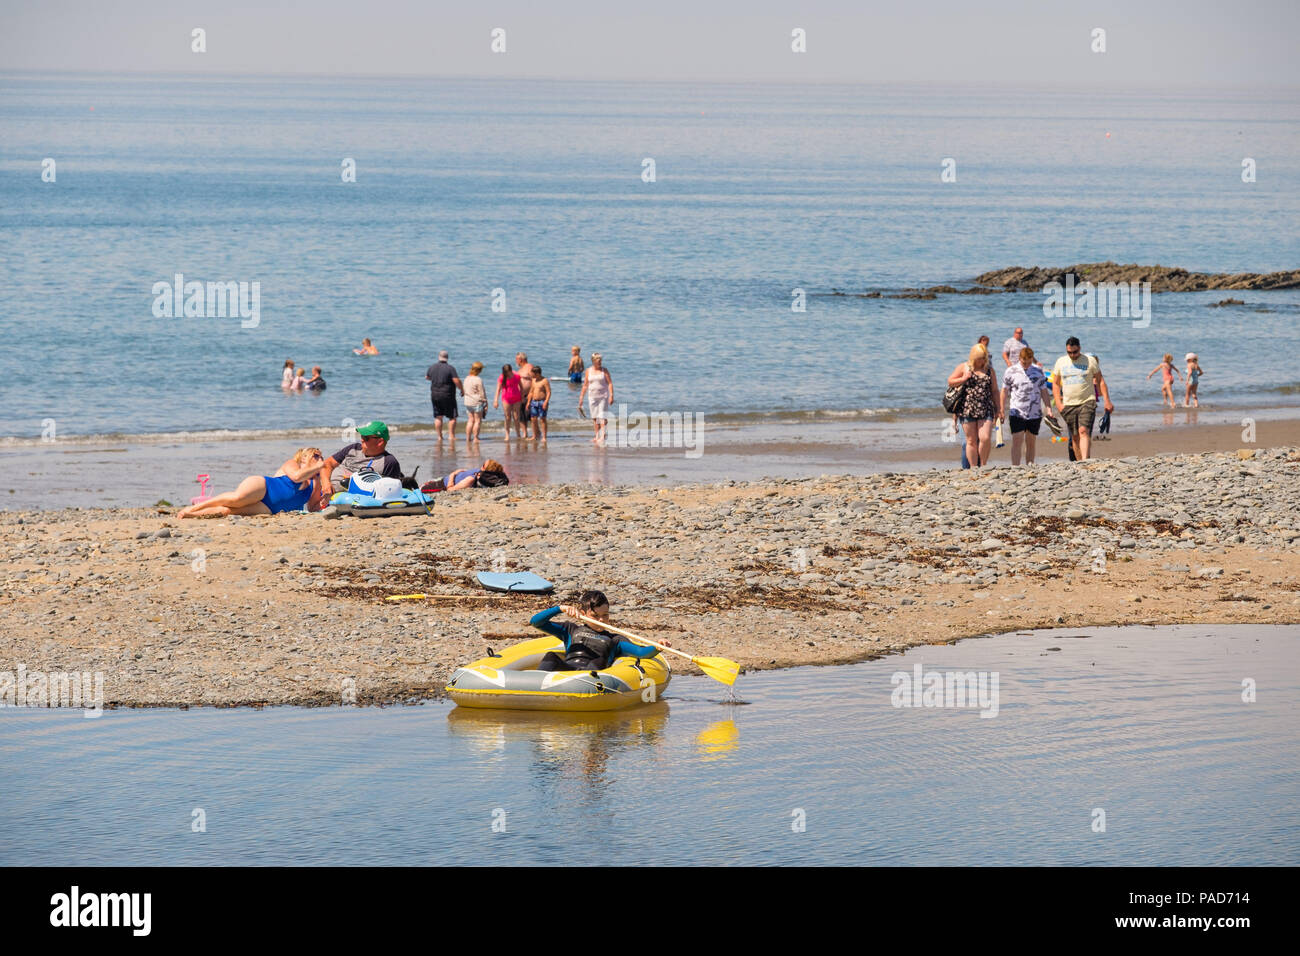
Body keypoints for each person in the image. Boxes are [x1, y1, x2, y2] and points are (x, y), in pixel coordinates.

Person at [528, 590, 665, 672]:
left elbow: (641, 652)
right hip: (568, 671)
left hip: (594, 677)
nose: (601, 620)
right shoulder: (570, 629)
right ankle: (535, 685)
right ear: (582, 614)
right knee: (551, 656)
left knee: (598, 661)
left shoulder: (615, 639)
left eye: (605, 615)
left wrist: (657, 647)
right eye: (595, 616)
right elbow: (536, 622)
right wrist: (559, 609)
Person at [178, 448, 328, 518]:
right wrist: (319, 466)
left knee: (228, 511)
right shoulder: (292, 464)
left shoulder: (316, 482)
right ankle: (193, 508)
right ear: (304, 458)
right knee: (236, 499)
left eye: (321, 456)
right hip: (264, 487)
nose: (320, 458)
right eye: (316, 455)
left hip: (269, 508)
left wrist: (326, 500)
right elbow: (296, 477)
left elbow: (313, 507)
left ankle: (190, 515)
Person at [1051, 337, 1113, 462]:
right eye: (1069, 352)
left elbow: (1100, 381)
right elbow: (1056, 384)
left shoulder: (1090, 361)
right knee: (1074, 437)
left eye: (1075, 352)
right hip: (1068, 404)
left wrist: (1107, 401)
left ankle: (1085, 461)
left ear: (1079, 348)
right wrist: (1058, 403)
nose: (1072, 355)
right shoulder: (1060, 362)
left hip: (1087, 401)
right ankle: (1080, 463)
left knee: (1083, 431)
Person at [1000, 346, 1055, 465]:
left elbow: (1044, 391)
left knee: (1031, 441)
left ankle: (1029, 465)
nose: (1026, 365)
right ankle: (1016, 467)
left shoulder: (1038, 371)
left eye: (1029, 362)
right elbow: (1004, 391)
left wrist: (1048, 408)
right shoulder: (1011, 371)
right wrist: (1001, 409)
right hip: (1016, 411)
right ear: (1020, 358)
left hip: (1035, 412)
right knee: (1017, 440)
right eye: (1024, 362)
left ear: (1032, 359)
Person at [948, 344, 1000, 468]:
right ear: (974, 357)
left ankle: (983, 464)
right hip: (967, 408)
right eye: (980, 358)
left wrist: (998, 409)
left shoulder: (989, 370)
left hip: (985, 407)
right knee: (970, 440)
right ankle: (973, 467)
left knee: (985, 437)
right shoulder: (964, 367)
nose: (982, 361)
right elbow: (950, 381)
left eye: (984, 358)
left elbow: (995, 391)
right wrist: (964, 378)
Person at [320, 420, 403, 494]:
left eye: (366, 438)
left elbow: (390, 491)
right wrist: (325, 483)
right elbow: (328, 463)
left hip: (348, 500)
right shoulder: (353, 448)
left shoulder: (388, 462)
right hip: (325, 489)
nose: (362, 440)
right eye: (362, 436)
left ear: (380, 442)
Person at [425, 350, 463, 441]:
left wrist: (435, 379)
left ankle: (439, 436)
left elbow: (427, 377)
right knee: (452, 416)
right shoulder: (450, 368)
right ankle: (451, 436)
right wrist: (462, 389)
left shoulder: (432, 367)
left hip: (435, 394)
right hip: (448, 395)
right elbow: (456, 380)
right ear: (447, 358)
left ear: (439, 357)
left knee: (438, 416)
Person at [579, 352, 613, 445]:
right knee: (594, 417)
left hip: (603, 396)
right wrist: (581, 397)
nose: (600, 362)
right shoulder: (588, 371)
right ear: (593, 361)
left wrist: (611, 395)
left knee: (602, 416)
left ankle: (602, 436)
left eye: (600, 361)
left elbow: (610, 383)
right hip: (592, 397)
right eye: (598, 361)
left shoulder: (604, 370)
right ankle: (597, 435)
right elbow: (585, 385)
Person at [433, 459, 509, 492]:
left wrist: (453, 474)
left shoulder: (471, 479)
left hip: (440, 485)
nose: (480, 467)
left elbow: (450, 490)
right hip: (441, 480)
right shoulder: (478, 473)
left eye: (482, 465)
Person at [494, 364, 524, 439]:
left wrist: (522, 397)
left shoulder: (517, 376)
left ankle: (518, 434)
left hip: (517, 398)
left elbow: (521, 387)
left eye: (508, 372)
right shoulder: (502, 377)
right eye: (506, 372)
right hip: (506, 399)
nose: (507, 373)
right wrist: (495, 400)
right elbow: (498, 390)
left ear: (511, 370)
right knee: (507, 417)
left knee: (516, 417)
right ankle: (507, 434)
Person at [463, 361, 488, 441]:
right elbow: (482, 393)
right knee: (477, 421)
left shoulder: (466, 378)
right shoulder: (478, 379)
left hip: (467, 402)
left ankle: (467, 438)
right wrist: (486, 402)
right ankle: (475, 438)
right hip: (477, 402)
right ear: (478, 370)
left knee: (470, 420)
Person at [527, 365, 551, 442]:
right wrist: (528, 402)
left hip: (542, 401)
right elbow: (531, 392)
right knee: (533, 419)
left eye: (532, 373)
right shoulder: (533, 380)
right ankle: (535, 435)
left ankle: (544, 437)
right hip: (534, 402)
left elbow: (548, 392)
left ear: (537, 373)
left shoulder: (544, 381)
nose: (531, 375)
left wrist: (546, 402)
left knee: (542, 419)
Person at [513, 353, 535, 439]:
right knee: (521, 416)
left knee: (531, 416)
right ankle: (525, 433)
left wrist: (531, 393)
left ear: (521, 359)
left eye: (516, 359)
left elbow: (534, 379)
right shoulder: (520, 369)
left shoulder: (529, 367)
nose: (516, 361)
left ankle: (535, 433)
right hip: (520, 395)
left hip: (528, 395)